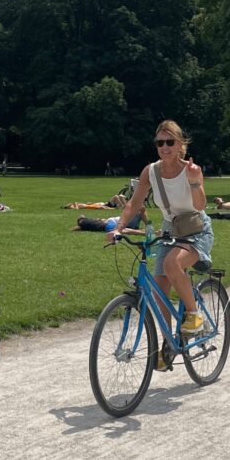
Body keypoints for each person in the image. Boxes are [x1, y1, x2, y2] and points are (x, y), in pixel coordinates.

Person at [110, 120, 213, 370]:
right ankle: (168, 343)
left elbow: (200, 206)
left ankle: (194, 314)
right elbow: (133, 204)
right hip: (169, 229)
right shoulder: (151, 171)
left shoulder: (192, 170)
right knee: (158, 288)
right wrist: (119, 227)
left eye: (170, 142)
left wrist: (194, 182)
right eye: (160, 143)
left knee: (171, 264)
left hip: (196, 229)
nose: (164, 147)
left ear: (180, 145)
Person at [74, 207, 148, 233]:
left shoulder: (105, 223)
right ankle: (149, 226)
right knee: (142, 209)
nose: (97, 218)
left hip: (127, 222)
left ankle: (149, 226)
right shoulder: (109, 223)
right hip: (124, 223)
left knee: (142, 210)